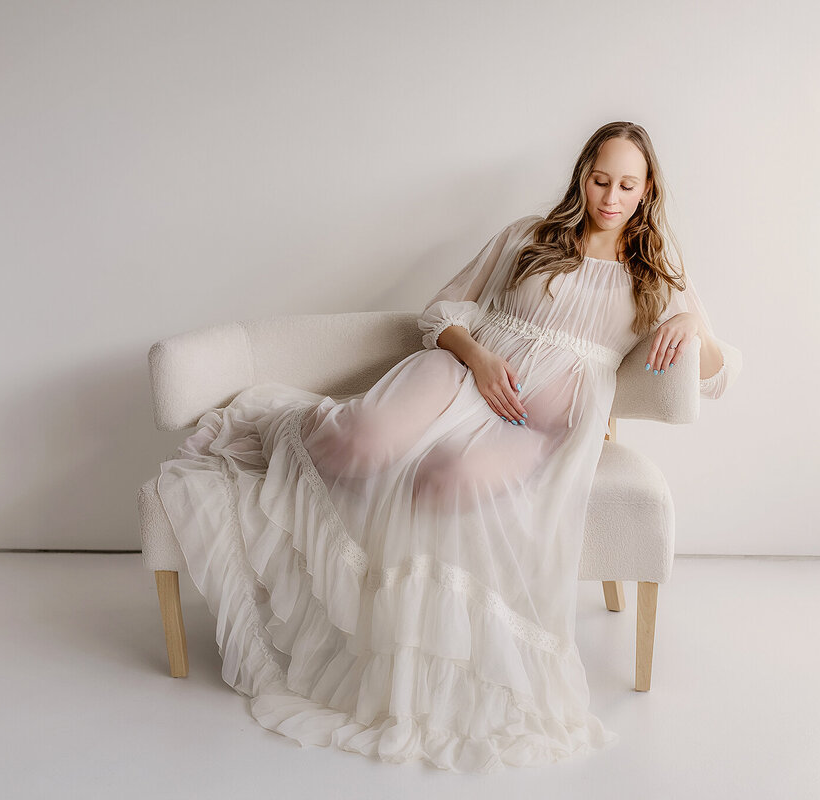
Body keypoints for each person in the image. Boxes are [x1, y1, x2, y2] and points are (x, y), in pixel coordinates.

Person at [155, 120, 741, 774]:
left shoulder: (654, 268)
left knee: (444, 482)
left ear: (647, 187)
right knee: (361, 444)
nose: (610, 195)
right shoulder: (528, 237)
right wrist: (480, 358)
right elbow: (442, 311)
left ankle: (399, 637)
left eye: (627, 184)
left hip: (534, 423)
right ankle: (273, 425)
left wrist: (690, 320)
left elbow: (717, 375)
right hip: (462, 372)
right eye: (601, 178)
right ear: (582, 174)